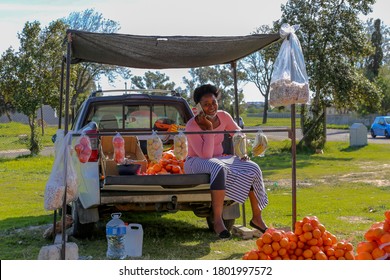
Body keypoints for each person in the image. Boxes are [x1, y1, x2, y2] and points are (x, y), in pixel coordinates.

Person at [184, 84, 268, 239]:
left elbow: (238, 133)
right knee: (218, 167)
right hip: (195, 162)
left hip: (220, 159)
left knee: (253, 167)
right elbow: (206, 156)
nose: (211, 107)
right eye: (206, 104)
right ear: (199, 107)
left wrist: (241, 151)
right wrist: (209, 128)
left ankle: (257, 218)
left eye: (214, 102)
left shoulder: (224, 116)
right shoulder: (192, 125)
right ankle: (217, 220)